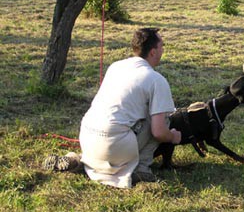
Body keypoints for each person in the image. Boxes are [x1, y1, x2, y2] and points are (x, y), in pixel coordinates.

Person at [44, 28, 181, 188]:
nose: (163, 50)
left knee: (109, 138)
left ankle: (79, 160)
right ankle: (141, 168)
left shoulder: (116, 66)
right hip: (113, 144)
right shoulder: (156, 80)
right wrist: (172, 136)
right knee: (163, 117)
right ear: (152, 52)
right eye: (162, 46)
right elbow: (158, 132)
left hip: (87, 137)